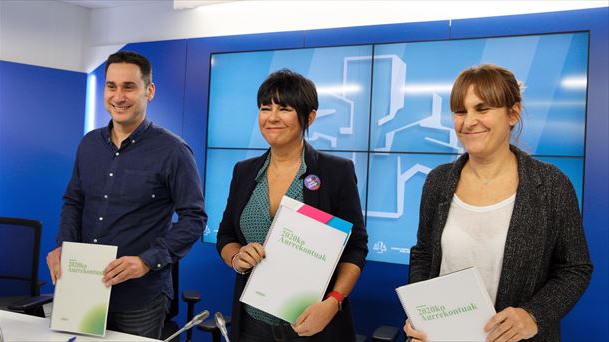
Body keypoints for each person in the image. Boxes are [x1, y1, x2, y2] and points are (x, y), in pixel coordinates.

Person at [405, 64, 592, 342]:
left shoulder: (551, 185)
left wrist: (534, 315)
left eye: (482, 109)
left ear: (513, 113)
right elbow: (423, 255)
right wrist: (419, 314)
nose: (468, 122)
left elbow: (575, 268)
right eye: (460, 111)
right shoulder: (438, 182)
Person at [46, 51, 207, 339]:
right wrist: (64, 246)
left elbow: (194, 218)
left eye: (129, 87)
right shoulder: (89, 145)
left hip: (140, 299)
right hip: (83, 287)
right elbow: (74, 202)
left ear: (150, 90)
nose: (118, 96)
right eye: (111, 86)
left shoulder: (173, 151)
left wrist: (146, 260)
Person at [216, 69, 368, 341]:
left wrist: (333, 302)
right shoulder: (244, 172)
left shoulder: (336, 172)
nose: (272, 117)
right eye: (265, 108)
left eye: (284, 108)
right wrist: (237, 258)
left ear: (309, 116)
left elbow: (355, 247)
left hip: (315, 324)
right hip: (252, 324)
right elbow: (226, 235)